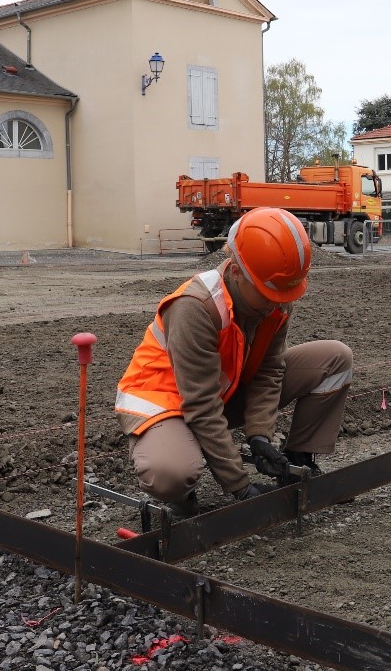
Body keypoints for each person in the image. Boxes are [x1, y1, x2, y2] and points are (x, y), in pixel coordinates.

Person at [114, 207, 353, 513]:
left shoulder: (276, 297)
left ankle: (297, 463)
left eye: (286, 294)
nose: (279, 303)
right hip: (165, 402)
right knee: (171, 473)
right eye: (269, 293)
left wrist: (260, 435)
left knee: (335, 359)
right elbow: (200, 405)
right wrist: (240, 487)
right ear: (237, 272)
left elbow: (269, 371)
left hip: (223, 393)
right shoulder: (195, 307)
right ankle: (180, 490)